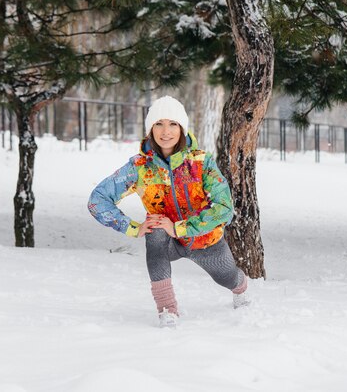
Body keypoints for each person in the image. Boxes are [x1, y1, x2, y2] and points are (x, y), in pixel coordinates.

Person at [88, 95, 249, 328]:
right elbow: (97, 200)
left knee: (227, 278)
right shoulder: (139, 167)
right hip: (167, 240)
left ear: (182, 128)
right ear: (150, 129)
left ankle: (240, 286)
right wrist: (133, 227)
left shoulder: (201, 162)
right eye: (159, 124)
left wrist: (180, 227)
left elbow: (224, 208)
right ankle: (167, 310)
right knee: (154, 228)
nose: (166, 131)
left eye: (173, 124)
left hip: (203, 240)